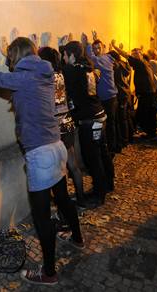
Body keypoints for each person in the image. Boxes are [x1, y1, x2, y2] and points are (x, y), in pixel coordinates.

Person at [0, 33, 84, 285]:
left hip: (40, 153)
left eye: (12, 58)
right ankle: (77, 238)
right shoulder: (44, 72)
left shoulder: (23, 78)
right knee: (63, 198)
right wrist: (11, 50)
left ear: (18, 58)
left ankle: (48, 273)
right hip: (57, 147)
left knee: (41, 216)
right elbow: (20, 69)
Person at [38, 46, 97, 209]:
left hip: (54, 127)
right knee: (73, 164)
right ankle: (81, 198)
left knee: (58, 168)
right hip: (68, 123)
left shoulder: (45, 77)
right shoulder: (63, 73)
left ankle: (62, 202)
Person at [60, 39, 115, 205]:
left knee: (92, 157)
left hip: (89, 121)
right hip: (100, 116)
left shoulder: (71, 70)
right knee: (103, 152)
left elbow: (55, 70)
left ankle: (99, 194)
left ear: (72, 55)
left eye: (64, 54)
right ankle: (108, 184)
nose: (63, 58)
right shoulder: (89, 68)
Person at [111, 42, 157, 140]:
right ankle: (150, 133)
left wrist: (115, 47)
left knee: (145, 113)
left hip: (147, 93)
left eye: (137, 54)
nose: (134, 56)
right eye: (134, 54)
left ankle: (149, 133)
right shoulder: (145, 61)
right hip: (150, 92)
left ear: (140, 55)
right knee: (149, 113)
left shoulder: (139, 62)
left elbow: (126, 56)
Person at [83, 32, 119, 154]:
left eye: (99, 48)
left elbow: (92, 57)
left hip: (107, 98)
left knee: (108, 124)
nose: (97, 50)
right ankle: (112, 147)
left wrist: (87, 44)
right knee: (110, 124)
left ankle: (111, 149)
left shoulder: (104, 59)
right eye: (94, 49)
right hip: (110, 96)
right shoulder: (107, 58)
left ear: (103, 48)